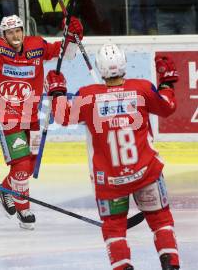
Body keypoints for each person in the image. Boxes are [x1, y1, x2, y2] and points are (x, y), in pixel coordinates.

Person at [45, 44, 180, 270]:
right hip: (146, 174)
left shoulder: (88, 95)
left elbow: (61, 116)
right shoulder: (143, 89)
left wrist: (57, 91)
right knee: (161, 220)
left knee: (114, 228)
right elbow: (168, 107)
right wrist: (166, 81)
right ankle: (171, 265)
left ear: (100, 68)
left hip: (109, 181)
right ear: (124, 65)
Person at [0, 0, 83, 229]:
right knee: (22, 165)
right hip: (5, 116)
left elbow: (68, 55)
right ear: (3, 34)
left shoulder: (37, 45)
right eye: (10, 32)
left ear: (23, 32)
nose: (15, 35)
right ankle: (23, 211)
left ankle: (4, 190)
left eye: (18, 30)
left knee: (29, 164)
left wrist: (73, 36)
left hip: (31, 115)